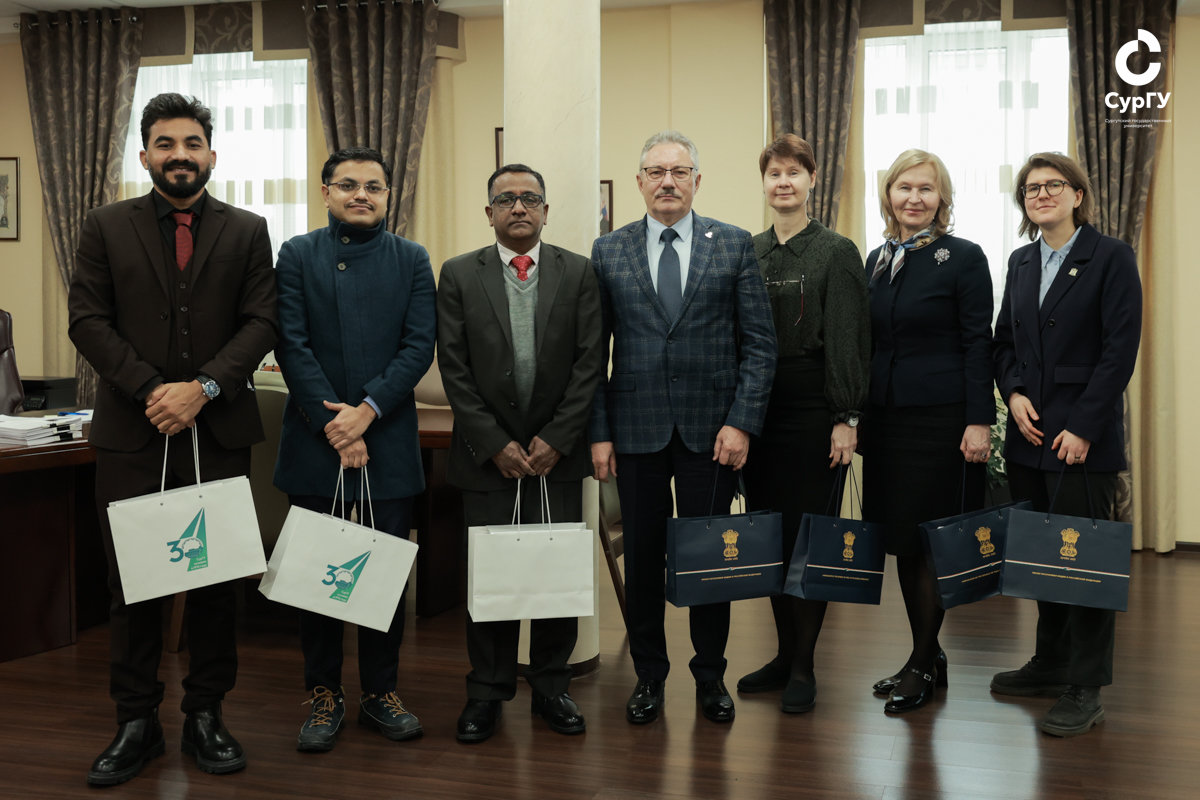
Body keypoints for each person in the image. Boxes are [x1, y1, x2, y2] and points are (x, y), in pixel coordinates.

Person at [69, 93, 277, 785]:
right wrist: (153, 390)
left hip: (217, 434)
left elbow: (261, 321)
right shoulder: (105, 225)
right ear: (145, 155)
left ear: (211, 154)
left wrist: (204, 388)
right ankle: (136, 722)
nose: (179, 155)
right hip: (132, 433)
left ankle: (206, 715)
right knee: (132, 583)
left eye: (191, 143)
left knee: (216, 580)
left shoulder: (248, 230)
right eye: (165, 143)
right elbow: (87, 318)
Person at [590, 130, 777, 725]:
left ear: (697, 180)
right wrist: (599, 433)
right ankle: (649, 676)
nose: (667, 182)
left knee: (710, 560)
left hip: (712, 435)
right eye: (656, 172)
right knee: (643, 560)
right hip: (636, 430)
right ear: (639, 181)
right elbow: (593, 354)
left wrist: (741, 423)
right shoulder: (608, 250)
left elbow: (760, 346)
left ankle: (710, 675)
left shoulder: (734, 244)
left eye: (679, 172)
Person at [272, 147, 436, 752]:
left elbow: (419, 346)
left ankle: (379, 692)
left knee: (382, 575)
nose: (361, 194)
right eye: (347, 185)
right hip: (316, 441)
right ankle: (323, 693)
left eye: (373, 185)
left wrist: (366, 412)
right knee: (316, 578)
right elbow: (290, 345)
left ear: (389, 195)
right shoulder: (297, 254)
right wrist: (335, 426)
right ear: (326, 193)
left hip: (386, 438)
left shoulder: (411, 258)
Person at [438, 163, 604, 743]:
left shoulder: (578, 272)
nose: (518, 207)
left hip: (557, 455)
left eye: (530, 199)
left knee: (555, 574)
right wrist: (494, 442)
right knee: (491, 579)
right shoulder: (459, 273)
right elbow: (454, 368)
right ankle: (486, 691)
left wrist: (559, 438)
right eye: (505, 199)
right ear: (489, 212)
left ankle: (552, 685)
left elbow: (590, 362)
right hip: (488, 458)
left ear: (545, 211)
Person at [990, 152, 1142, 737]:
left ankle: (1086, 686)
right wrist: (1013, 393)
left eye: (1053, 185)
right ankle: (1050, 663)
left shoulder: (1111, 256)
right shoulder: (1021, 261)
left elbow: (1119, 350)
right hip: (1029, 438)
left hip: (1082, 441)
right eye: (1031, 188)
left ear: (1078, 194)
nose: (1041, 194)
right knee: (1042, 560)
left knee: (1086, 566)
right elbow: (1004, 343)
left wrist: (1082, 427)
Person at [736, 134, 870, 713]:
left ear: (813, 180)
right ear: (764, 183)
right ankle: (783, 653)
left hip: (816, 409)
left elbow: (848, 339)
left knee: (807, 543)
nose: (783, 182)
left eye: (794, 172)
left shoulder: (837, 251)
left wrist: (845, 416)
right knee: (770, 539)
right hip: (757, 410)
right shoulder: (749, 250)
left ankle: (804, 665)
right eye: (774, 173)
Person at [863, 149, 993, 714]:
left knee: (932, 542)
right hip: (886, 420)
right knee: (902, 540)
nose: (913, 198)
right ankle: (925, 653)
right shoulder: (876, 258)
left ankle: (921, 661)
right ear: (888, 194)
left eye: (926, 188)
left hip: (941, 421)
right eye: (904, 187)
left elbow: (978, 342)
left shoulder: (963, 257)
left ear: (942, 198)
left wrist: (979, 420)